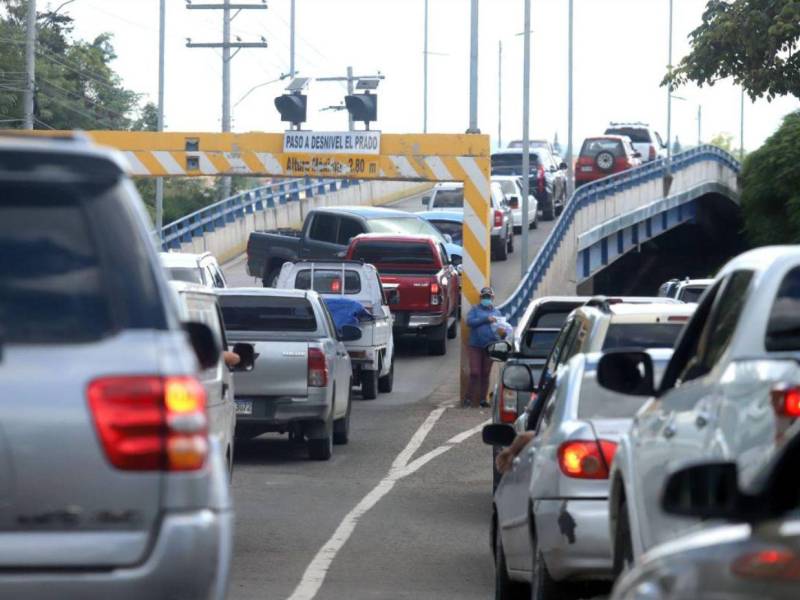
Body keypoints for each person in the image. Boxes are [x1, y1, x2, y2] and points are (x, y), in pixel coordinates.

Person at [465, 286, 502, 408]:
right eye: (484, 297)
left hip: (490, 346)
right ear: (481, 298)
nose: (486, 299)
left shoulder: (497, 313)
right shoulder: (475, 309)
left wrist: (503, 333)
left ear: (492, 298)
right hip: (475, 346)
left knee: (486, 373)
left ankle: (482, 399)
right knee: (475, 372)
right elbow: (470, 322)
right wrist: (486, 319)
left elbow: (501, 329)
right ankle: (468, 398)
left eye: (488, 297)